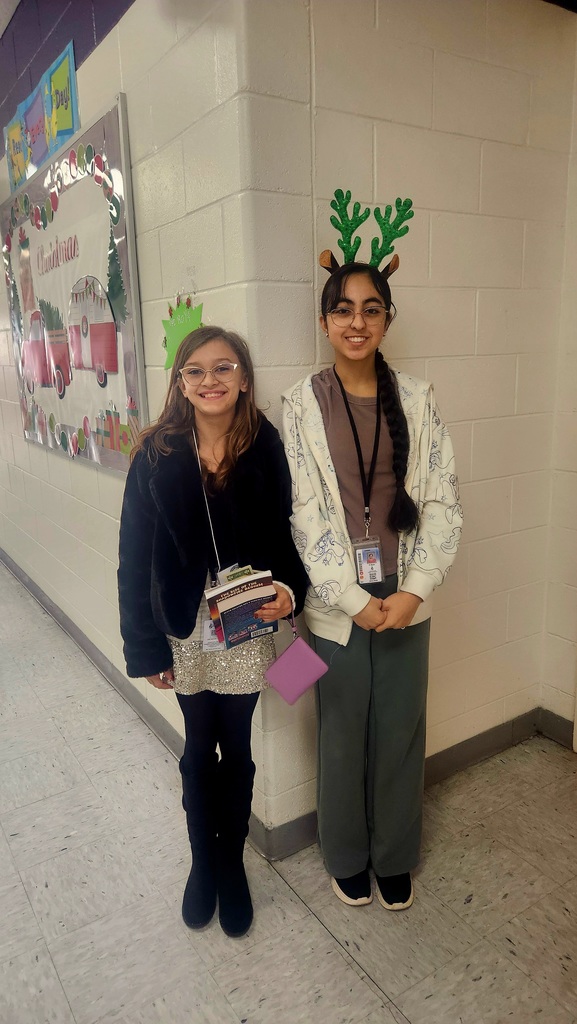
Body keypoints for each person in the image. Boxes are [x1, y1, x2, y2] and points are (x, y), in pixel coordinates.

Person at [282, 255, 462, 912]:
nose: (356, 322)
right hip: (337, 601)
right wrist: (354, 601)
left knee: (399, 729)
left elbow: (441, 502)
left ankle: (392, 856)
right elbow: (302, 514)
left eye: (371, 308)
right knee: (340, 730)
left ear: (387, 318)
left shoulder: (417, 398)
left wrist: (411, 591)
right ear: (325, 320)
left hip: (404, 591)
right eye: (342, 309)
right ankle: (345, 854)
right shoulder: (301, 402)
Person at [118, 326, 307, 938]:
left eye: (223, 368)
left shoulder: (265, 444)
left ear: (244, 378)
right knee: (199, 749)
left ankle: (232, 865)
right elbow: (132, 558)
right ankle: (204, 863)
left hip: (244, 626)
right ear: (180, 383)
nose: (209, 381)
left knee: (240, 748)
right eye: (194, 371)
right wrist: (143, 646)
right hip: (183, 629)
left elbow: (284, 537)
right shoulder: (155, 455)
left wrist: (291, 591)